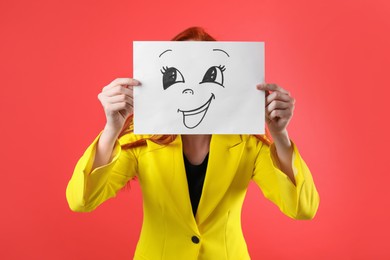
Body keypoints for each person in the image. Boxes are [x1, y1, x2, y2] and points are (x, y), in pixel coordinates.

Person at [66, 27, 319, 259]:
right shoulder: (141, 142)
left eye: (209, 74)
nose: (191, 90)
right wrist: (112, 128)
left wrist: (280, 135)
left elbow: (302, 208)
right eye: (176, 75)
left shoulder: (247, 144)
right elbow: (82, 200)